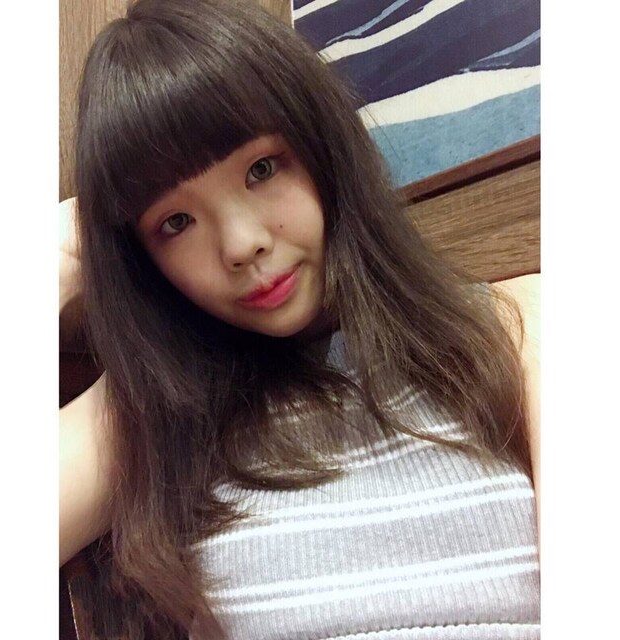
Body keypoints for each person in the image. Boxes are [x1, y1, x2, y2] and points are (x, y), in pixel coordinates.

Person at [59, 0, 540, 638]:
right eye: (176, 222)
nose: (242, 244)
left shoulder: (515, 324)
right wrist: (64, 259)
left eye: (261, 169)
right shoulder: (157, 415)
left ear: (322, 149)